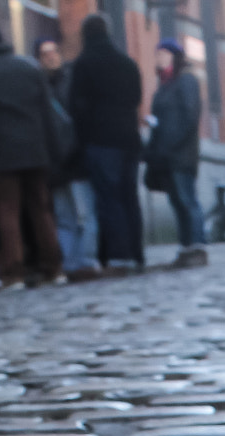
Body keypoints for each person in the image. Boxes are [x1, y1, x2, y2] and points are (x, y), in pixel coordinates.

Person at [0, 22, 65, 288]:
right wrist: (54, 150)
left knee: (8, 211)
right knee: (41, 209)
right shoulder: (28, 68)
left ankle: (14, 272)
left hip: (1, 153)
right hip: (35, 149)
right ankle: (54, 268)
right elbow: (47, 113)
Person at [68, 14, 144, 270]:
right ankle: (136, 251)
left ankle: (118, 253)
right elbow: (136, 99)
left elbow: (77, 107)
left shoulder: (84, 64)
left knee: (108, 198)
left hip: (100, 140)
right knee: (129, 195)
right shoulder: (127, 63)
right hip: (129, 138)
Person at [36, 38, 98, 279]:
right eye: (45, 53)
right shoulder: (39, 85)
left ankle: (86, 261)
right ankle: (71, 264)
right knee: (63, 217)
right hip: (53, 162)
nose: (50, 57)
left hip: (76, 158)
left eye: (53, 52)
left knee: (84, 214)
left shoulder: (72, 79)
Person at [145, 38, 206, 267]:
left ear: (174, 56)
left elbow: (190, 117)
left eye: (164, 53)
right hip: (165, 155)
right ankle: (185, 246)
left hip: (182, 153)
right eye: (158, 54)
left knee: (187, 200)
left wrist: (174, 143)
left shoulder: (186, 80)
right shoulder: (163, 86)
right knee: (177, 202)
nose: (159, 58)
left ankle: (197, 246)